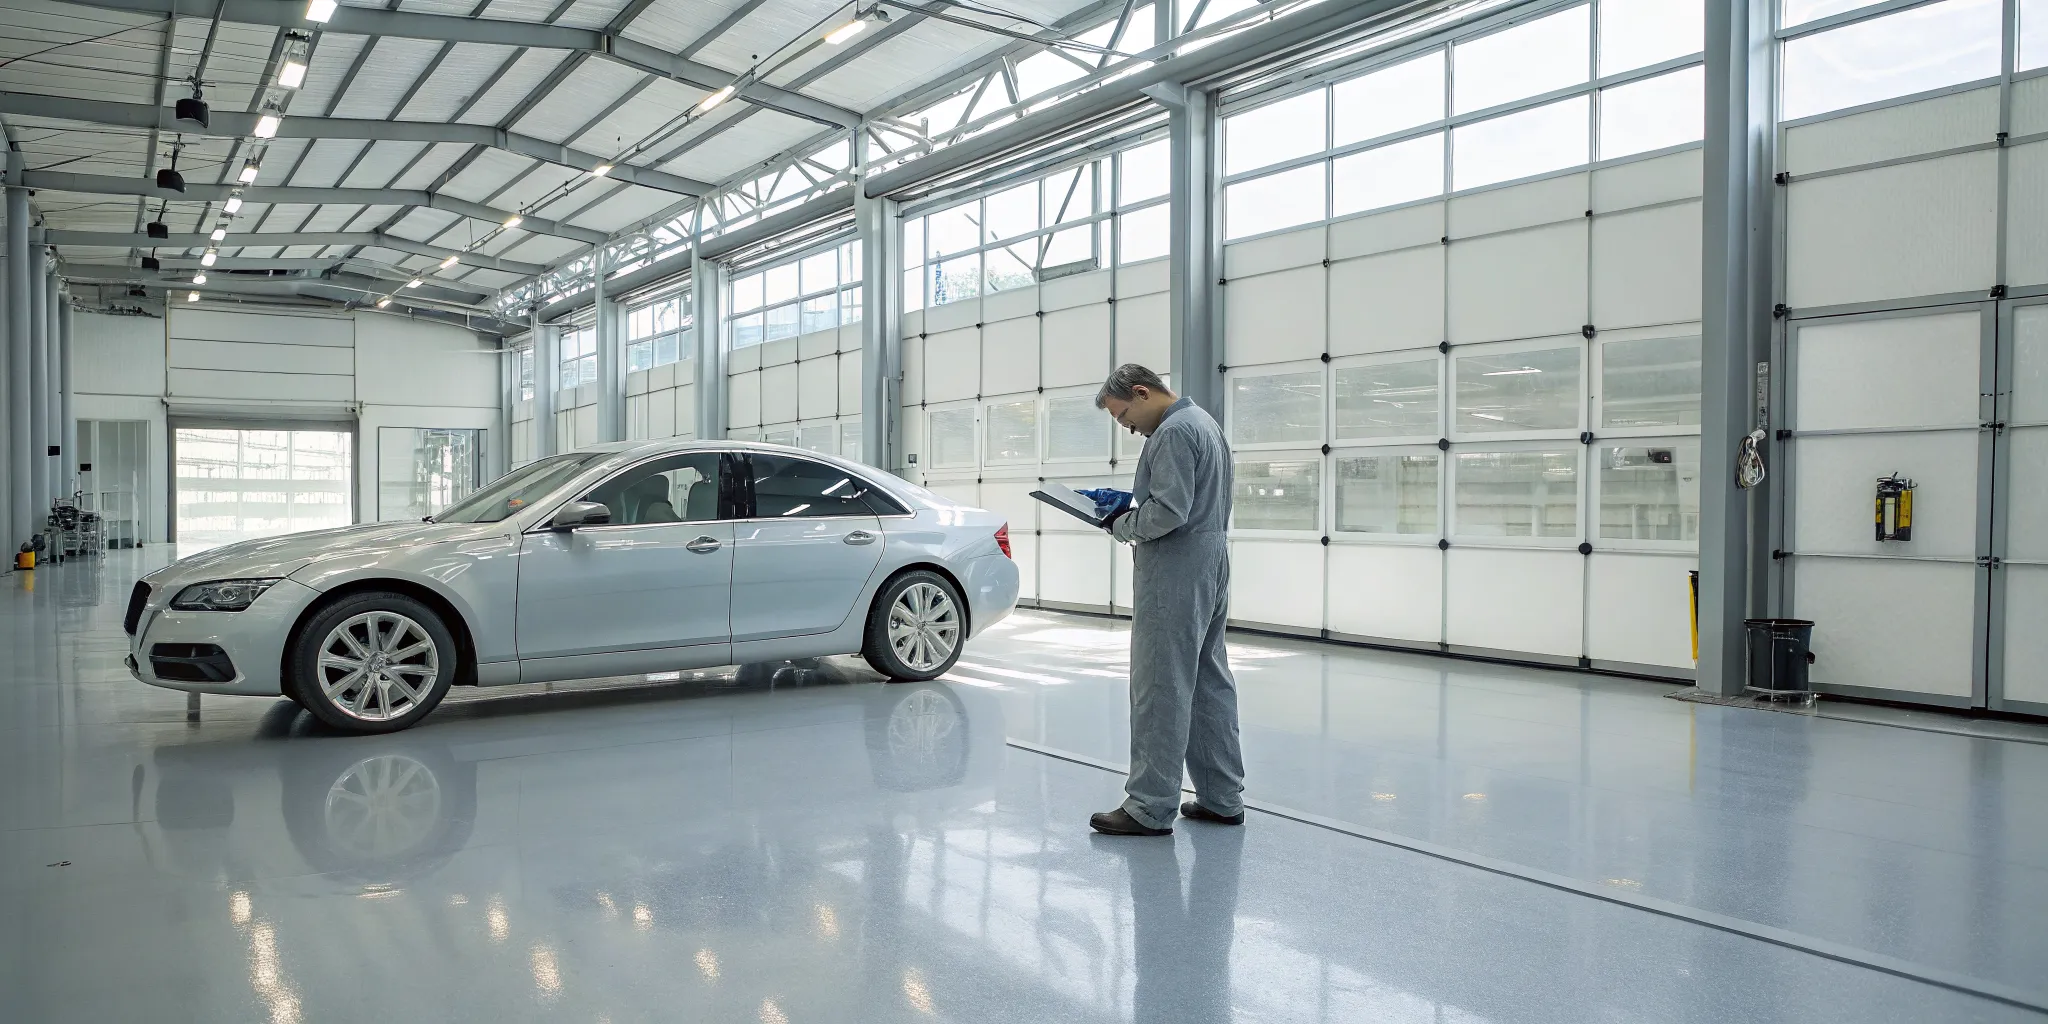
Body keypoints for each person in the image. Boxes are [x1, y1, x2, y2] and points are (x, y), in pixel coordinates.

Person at [1087, 364, 1244, 836]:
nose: (1128, 428)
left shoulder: (1173, 432)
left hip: (1176, 568)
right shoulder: (1204, 424)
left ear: (1141, 391)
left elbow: (1169, 512)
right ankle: (1222, 797)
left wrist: (1118, 524)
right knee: (1207, 681)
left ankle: (1149, 806)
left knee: (1160, 685)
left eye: (1125, 417)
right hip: (1210, 561)